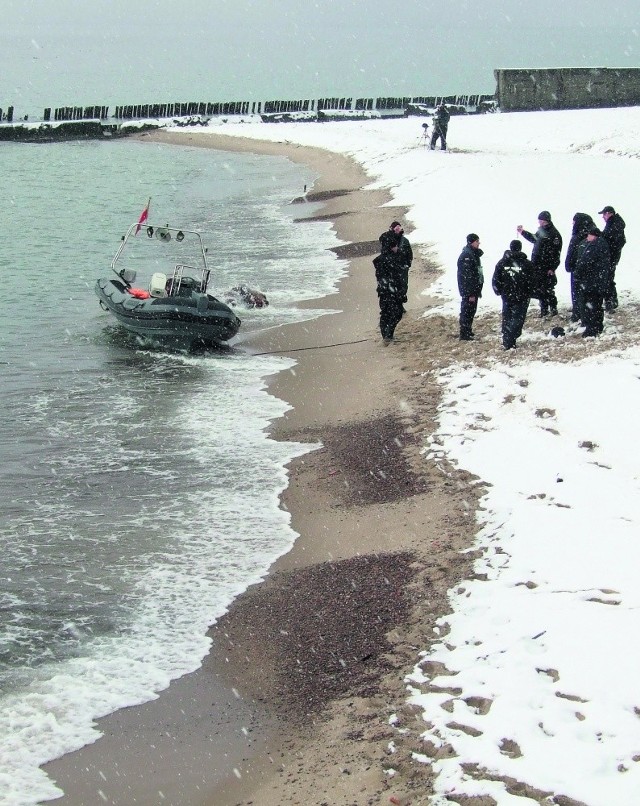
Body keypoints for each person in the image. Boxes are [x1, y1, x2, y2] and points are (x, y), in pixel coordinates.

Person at [373, 221, 413, 343]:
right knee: (393, 313)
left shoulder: (386, 258)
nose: (397, 247)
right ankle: (387, 335)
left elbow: (406, 259)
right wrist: (396, 289)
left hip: (389, 290)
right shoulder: (388, 260)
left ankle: (387, 334)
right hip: (390, 290)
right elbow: (392, 276)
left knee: (389, 312)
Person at [517, 211, 562, 318]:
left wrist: (552, 267)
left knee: (548, 288)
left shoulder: (554, 234)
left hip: (546, 266)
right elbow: (534, 238)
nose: (539, 222)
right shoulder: (541, 231)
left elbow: (557, 253)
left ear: (546, 220)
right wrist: (523, 232)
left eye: (541, 220)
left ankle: (553, 308)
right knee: (539, 288)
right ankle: (544, 309)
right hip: (537, 265)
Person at [492, 239, 534, 349]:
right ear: (520, 248)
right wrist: (529, 292)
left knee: (507, 317)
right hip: (521, 296)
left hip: (507, 295)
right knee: (517, 318)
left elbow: (496, 278)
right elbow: (532, 280)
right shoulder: (526, 264)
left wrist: (498, 290)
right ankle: (511, 338)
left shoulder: (502, 263)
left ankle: (507, 337)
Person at [573, 225, 610, 337]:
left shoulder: (593, 246)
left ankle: (591, 329)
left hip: (591, 282)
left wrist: (577, 275)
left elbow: (584, 262)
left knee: (590, 306)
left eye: (588, 235)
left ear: (593, 236)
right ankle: (598, 326)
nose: (587, 238)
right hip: (599, 281)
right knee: (597, 305)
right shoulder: (603, 244)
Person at [564, 212, 595, 322]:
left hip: (577, 269)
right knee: (586, 293)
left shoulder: (578, 235)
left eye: (574, 221)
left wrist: (569, 265)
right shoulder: (593, 233)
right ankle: (585, 312)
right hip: (589, 270)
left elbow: (572, 252)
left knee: (577, 292)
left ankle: (578, 314)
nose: (573, 223)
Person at [598, 205, 626, 311]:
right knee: (608, 279)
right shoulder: (614, 224)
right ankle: (611, 301)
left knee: (608, 279)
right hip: (611, 257)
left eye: (604, 214)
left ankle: (611, 301)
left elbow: (614, 240)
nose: (603, 217)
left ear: (610, 213)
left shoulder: (615, 225)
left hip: (611, 257)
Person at [457, 233, 484, 341]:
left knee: (471, 310)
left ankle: (468, 330)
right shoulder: (467, 256)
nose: (479, 243)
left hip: (473, 289)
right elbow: (467, 277)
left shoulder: (472, 254)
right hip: (469, 290)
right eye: (477, 241)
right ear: (471, 242)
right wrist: (471, 293)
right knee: (467, 310)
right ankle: (464, 332)